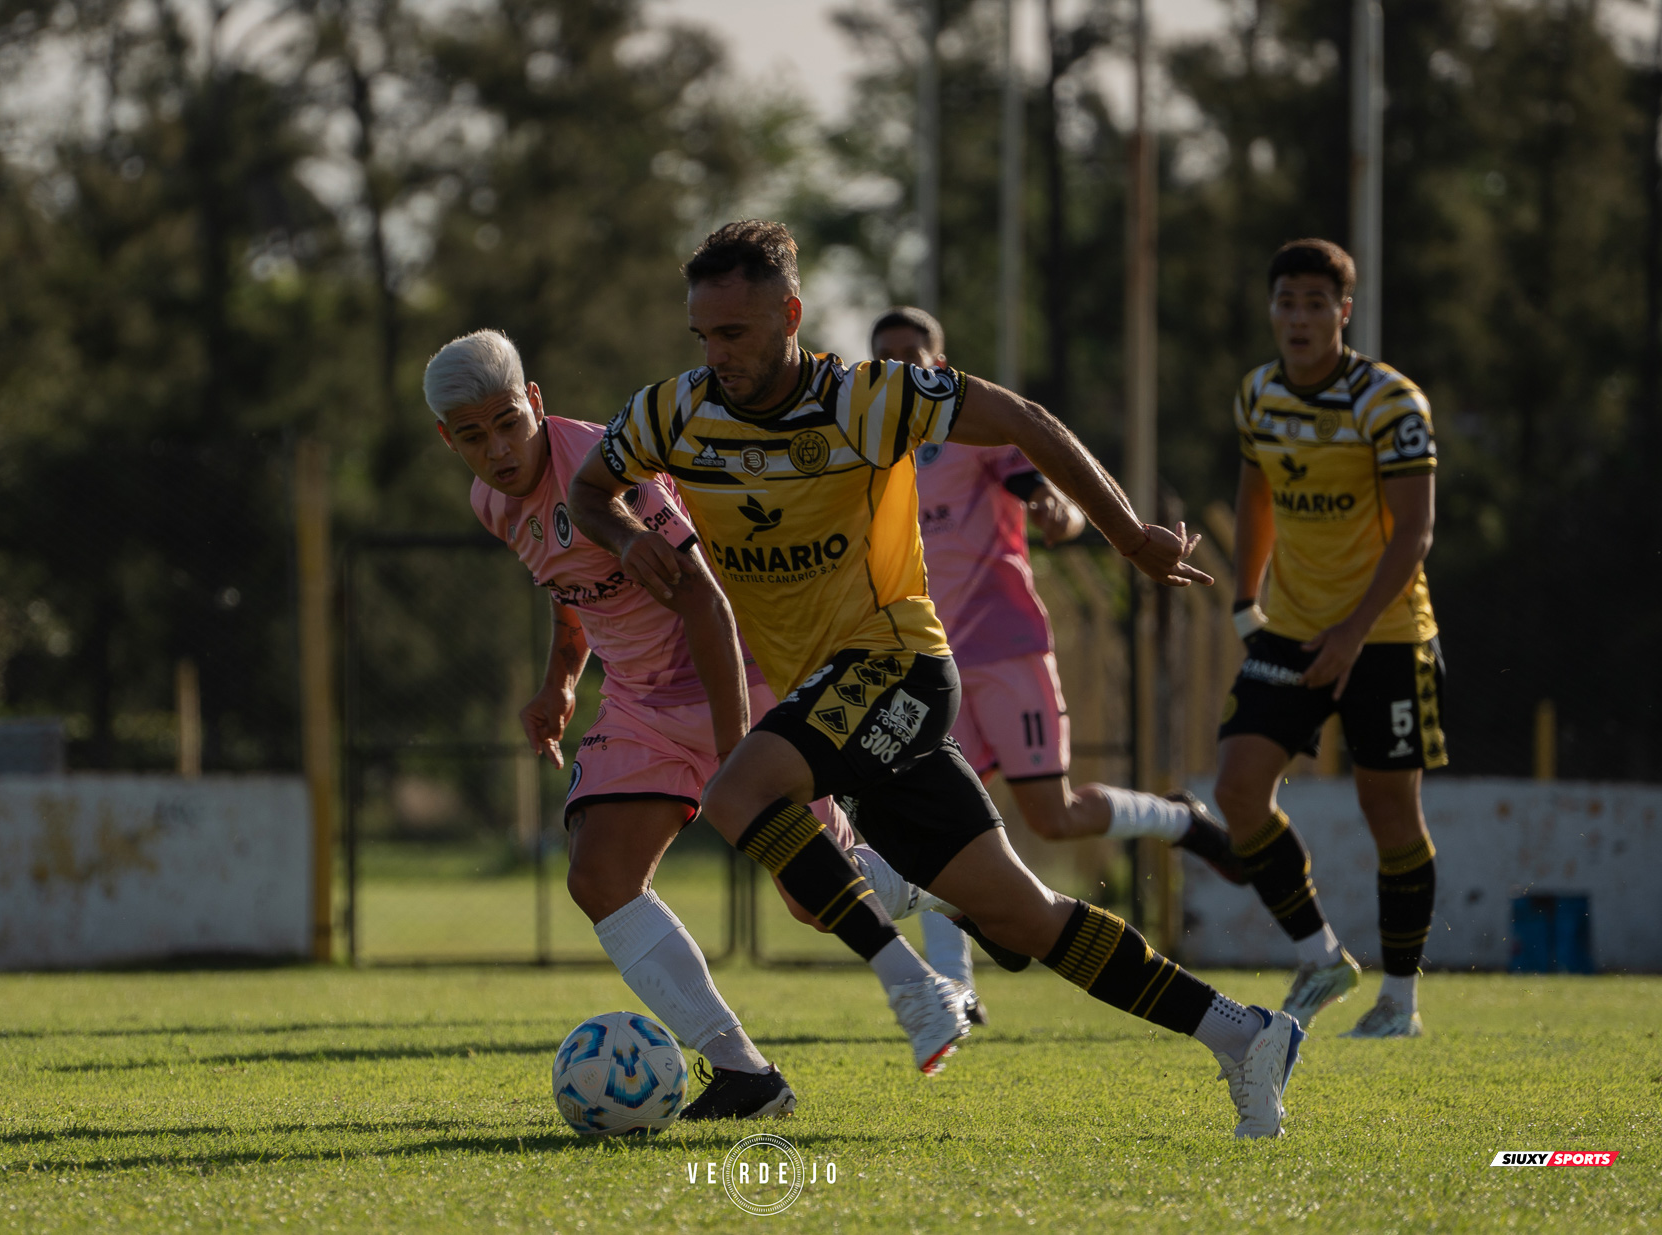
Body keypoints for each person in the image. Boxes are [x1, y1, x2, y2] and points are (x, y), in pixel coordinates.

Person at [569, 220, 1304, 1139]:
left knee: (737, 791)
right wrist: (631, 539)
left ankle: (909, 980)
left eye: (738, 334)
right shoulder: (671, 413)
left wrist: (1129, 536)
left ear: (791, 315)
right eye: (705, 336)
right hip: (836, 697)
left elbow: (1024, 420)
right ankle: (1243, 1034)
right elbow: (588, 490)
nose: (718, 355)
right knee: (1025, 916)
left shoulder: (867, 399)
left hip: (898, 665)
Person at [424, 329, 948, 1121]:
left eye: (507, 422)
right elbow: (568, 589)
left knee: (813, 898)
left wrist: (742, 755)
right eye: (473, 435)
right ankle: (744, 1072)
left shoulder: (609, 471)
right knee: (599, 876)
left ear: (534, 402)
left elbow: (706, 602)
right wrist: (559, 684)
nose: (497, 449)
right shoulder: (491, 503)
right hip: (638, 704)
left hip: (736, 679)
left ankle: (942, 876)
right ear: (448, 438)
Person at [868, 307, 1249, 1013]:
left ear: (941, 365)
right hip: (927, 662)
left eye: (913, 355)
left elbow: (1053, 497)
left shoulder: (973, 433)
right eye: (885, 358)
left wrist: (1056, 512)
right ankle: (957, 985)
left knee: (1052, 815)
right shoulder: (870, 453)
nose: (901, 369)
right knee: (943, 824)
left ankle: (1178, 821)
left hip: (1007, 645)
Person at [1214, 239, 1445, 1039]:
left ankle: (1401, 999)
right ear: (1271, 310)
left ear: (1345, 312)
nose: (1301, 317)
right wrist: (1248, 601)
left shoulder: (1390, 402)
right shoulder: (1258, 395)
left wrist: (1352, 633)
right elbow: (1255, 496)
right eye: (1288, 301)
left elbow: (1414, 531)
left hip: (1385, 634)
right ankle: (1320, 954)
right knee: (1239, 791)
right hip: (1291, 631)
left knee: (1388, 809)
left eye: (1318, 302)